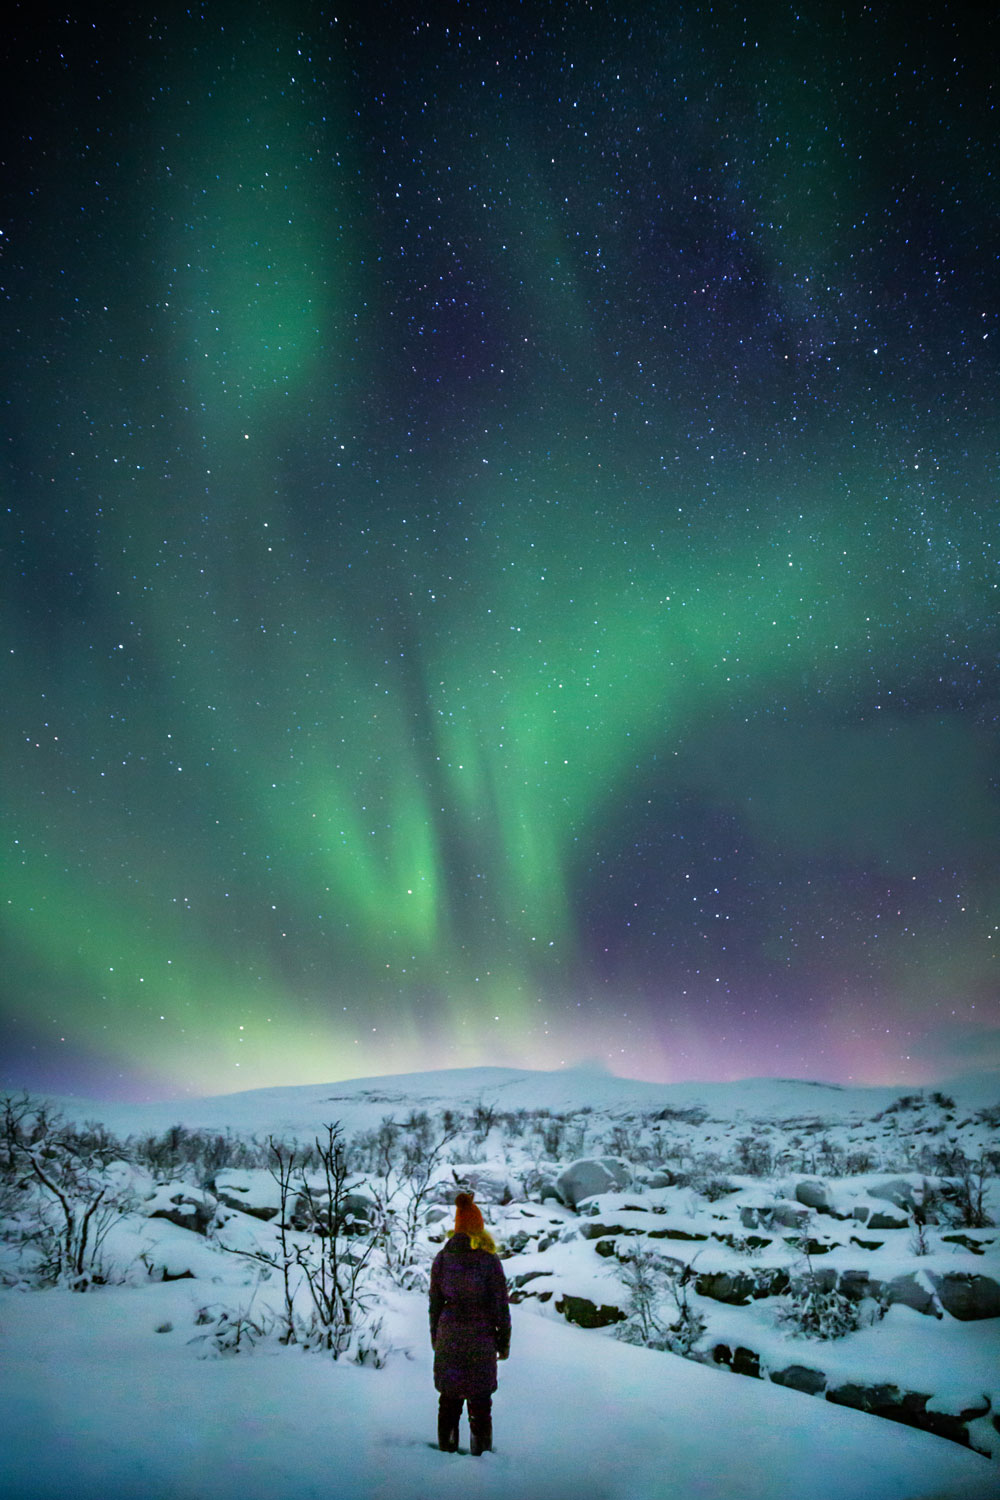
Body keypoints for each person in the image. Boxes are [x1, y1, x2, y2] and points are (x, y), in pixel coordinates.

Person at [429, 1191, 511, 1455]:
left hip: (449, 1335)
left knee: (449, 1401)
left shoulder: (442, 1258)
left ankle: (445, 1452)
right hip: (481, 1337)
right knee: (480, 1403)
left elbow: (434, 1304)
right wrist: (504, 1342)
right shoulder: (489, 1261)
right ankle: (482, 1457)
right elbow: (501, 1306)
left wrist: (436, 1338)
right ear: (479, 1227)